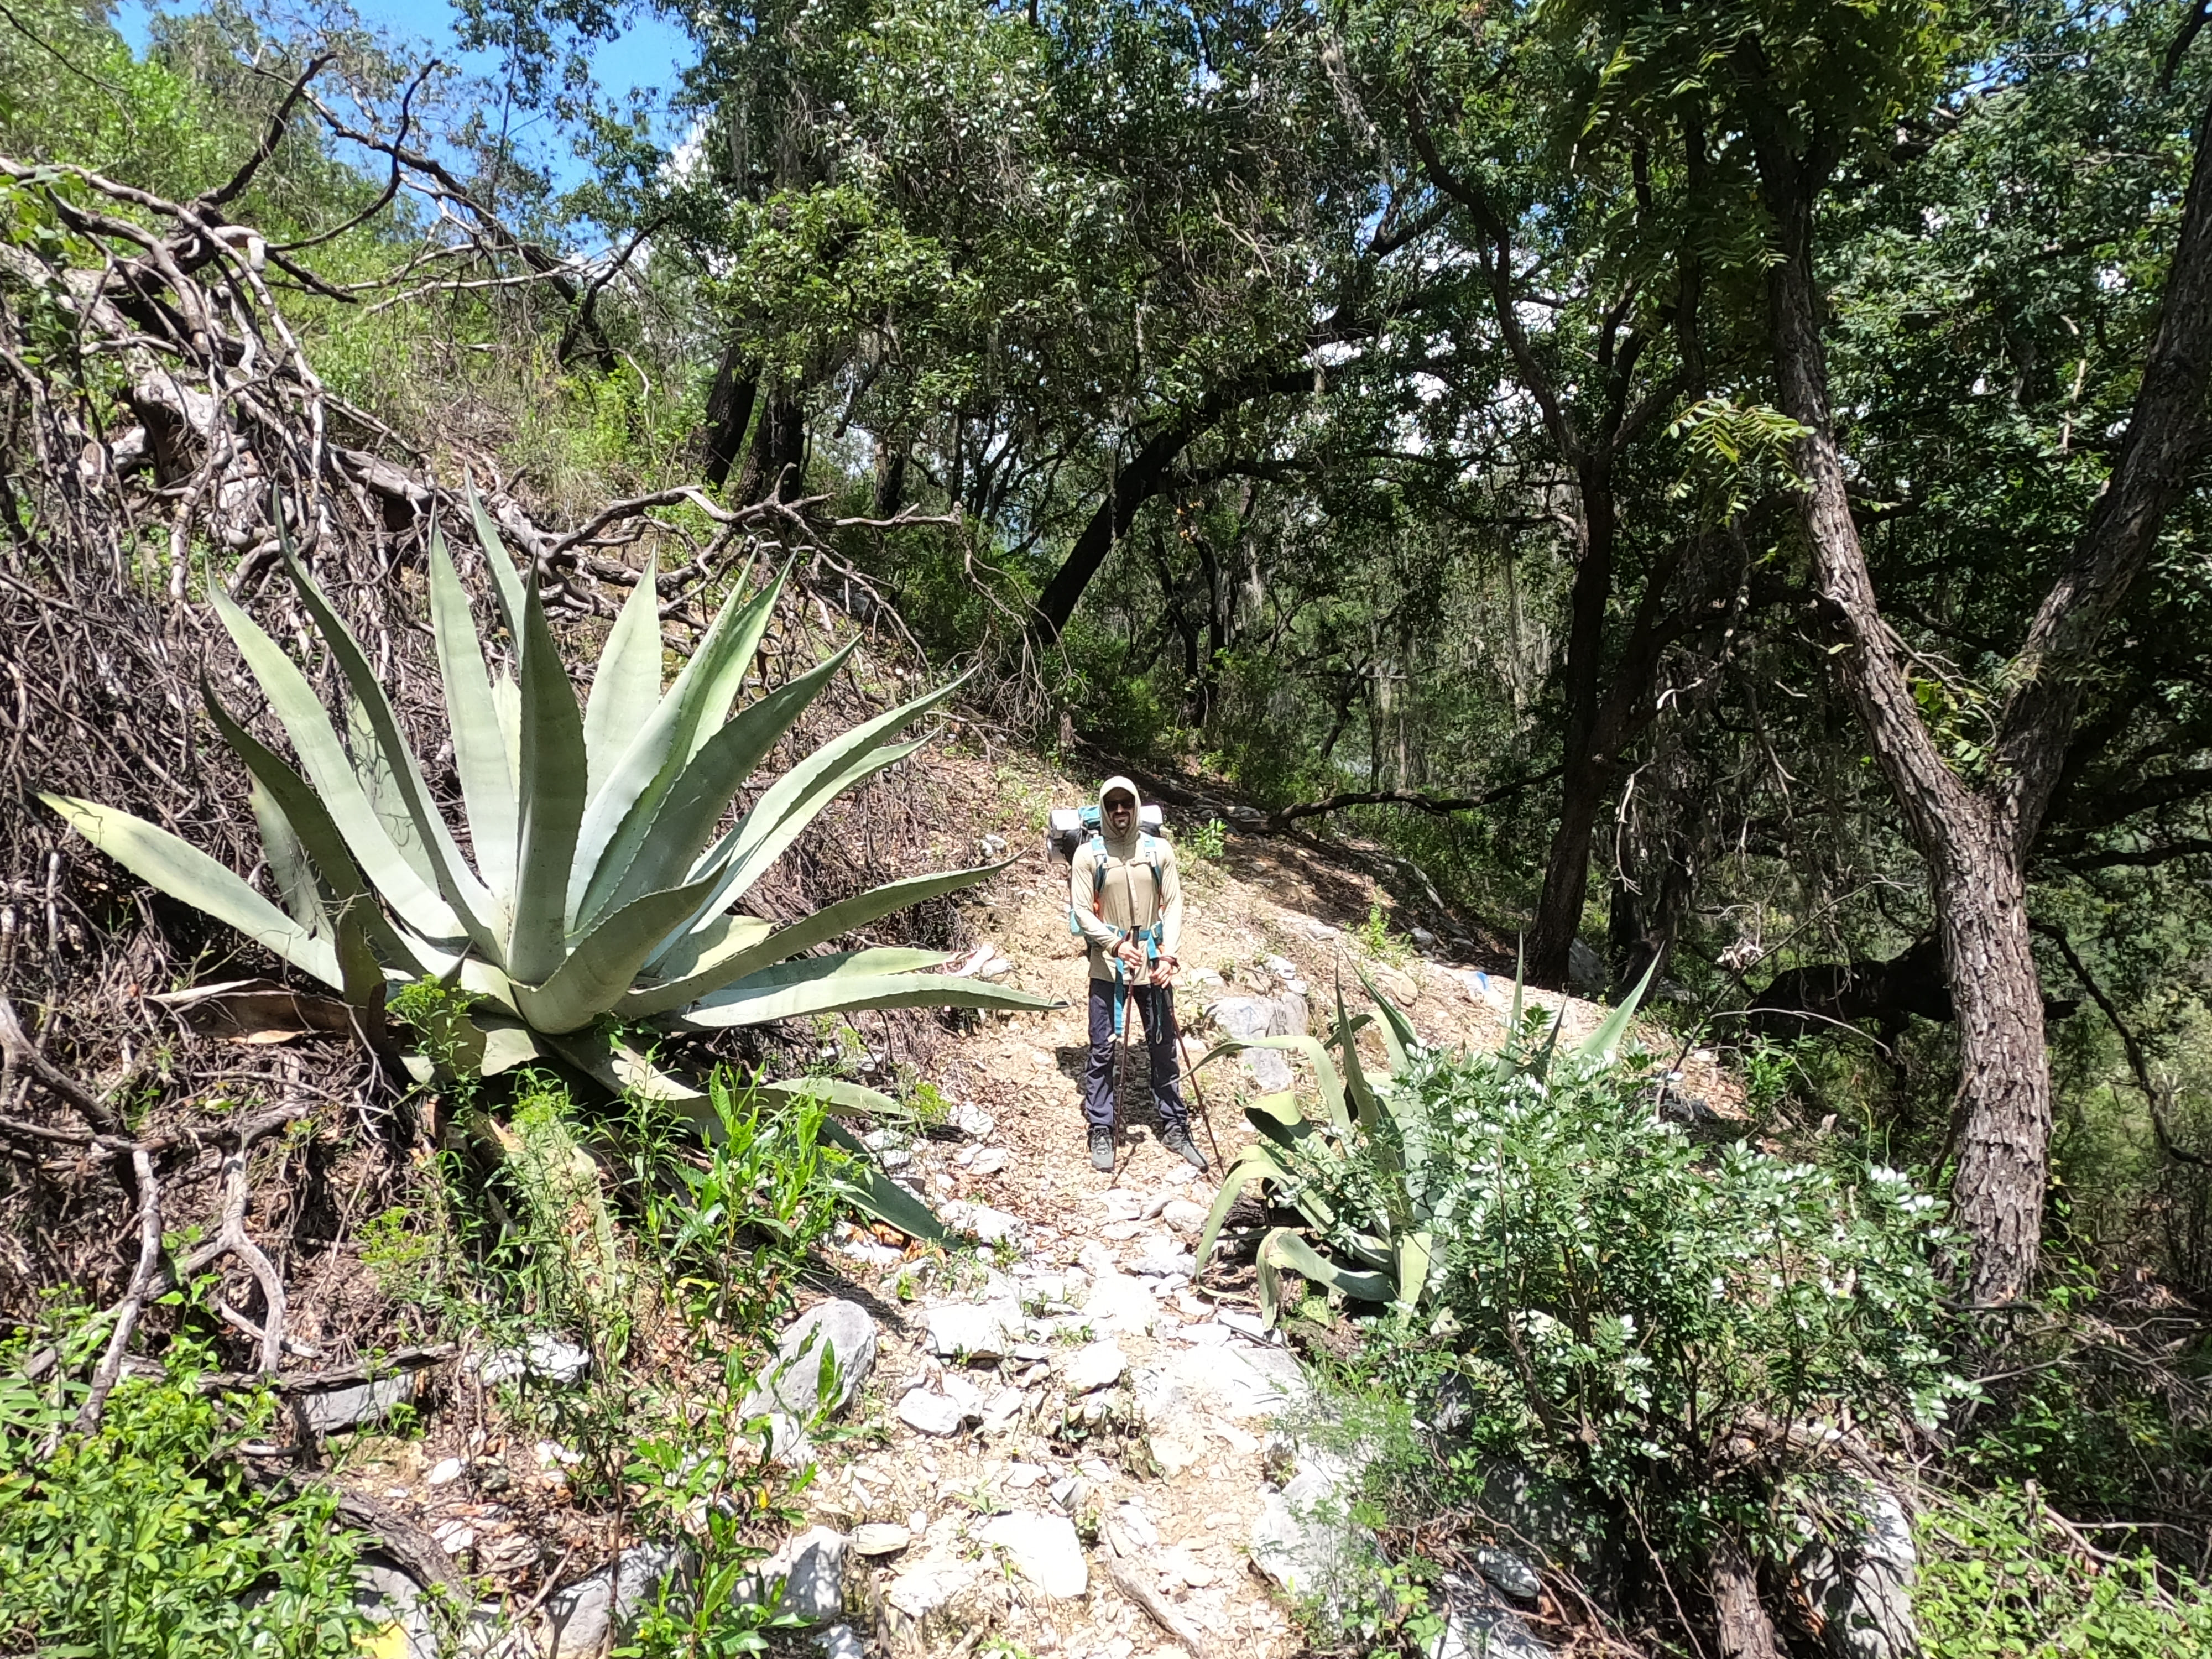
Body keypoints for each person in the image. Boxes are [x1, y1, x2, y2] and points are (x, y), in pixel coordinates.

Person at [1069, 776, 1207, 1173]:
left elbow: (1175, 904)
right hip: (1107, 968)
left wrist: (1170, 955)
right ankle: (1101, 1127)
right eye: (1111, 805)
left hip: (1154, 966)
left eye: (1125, 803)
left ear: (1136, 805)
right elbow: (1081, 910)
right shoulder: (1088, 856)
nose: (1119, 812)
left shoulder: (1158, 851)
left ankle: (1175, 1126)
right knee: (1102, 1048)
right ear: (1103, 809)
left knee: (1163, 1047)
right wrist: (1113, 944)